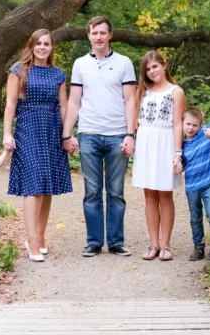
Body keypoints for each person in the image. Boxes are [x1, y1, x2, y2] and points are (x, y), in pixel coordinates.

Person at [63, 16, 137, 257]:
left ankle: (116, 241)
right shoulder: (80, 64)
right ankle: (94, 241)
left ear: (110, 35)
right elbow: (74, 101)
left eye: (103, 33)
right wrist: (67, 133)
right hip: (89, 134)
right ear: (89, 36)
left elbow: (130, 100)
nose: (99, 37)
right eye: (95, 33)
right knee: (92, 191)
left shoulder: (124, 63)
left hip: (117, 135)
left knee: (116, 191)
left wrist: (130, 134)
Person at [4, 29, 72, 263]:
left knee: (46, 185)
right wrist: (6, 134)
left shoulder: (58, 74)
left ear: (52, 48)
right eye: (39, 43)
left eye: (47, 44)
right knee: (33, 185)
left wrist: (66, 135)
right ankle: (31, 239)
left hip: (52, 130)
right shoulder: (19, 70)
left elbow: (64, 106)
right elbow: (11, 104)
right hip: (28, 129)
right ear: (31, 46)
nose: (43, 47)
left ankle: (41, 236)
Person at [131, 50, 186, 261]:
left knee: (165, 193)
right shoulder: (143, 91)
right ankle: (153, 244)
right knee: (149, 195)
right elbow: (136, 118)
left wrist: (177, 154)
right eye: (148, 68)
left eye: (155, 66)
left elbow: (178, 123)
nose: (152, 71)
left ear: (164, 65)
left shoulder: (175, 91)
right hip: (146, 142)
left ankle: (166, 244)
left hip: (165, 142)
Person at [182, 107, 210, 261]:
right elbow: (180, 163)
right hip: (192, 186)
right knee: (195, 217)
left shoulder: (206, 134)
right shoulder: (180, 144)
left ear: (200, 125)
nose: (191, 128)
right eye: (188, 124)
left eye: (195, 125)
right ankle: (198, 248)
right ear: (182, 123)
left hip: (208, 183)